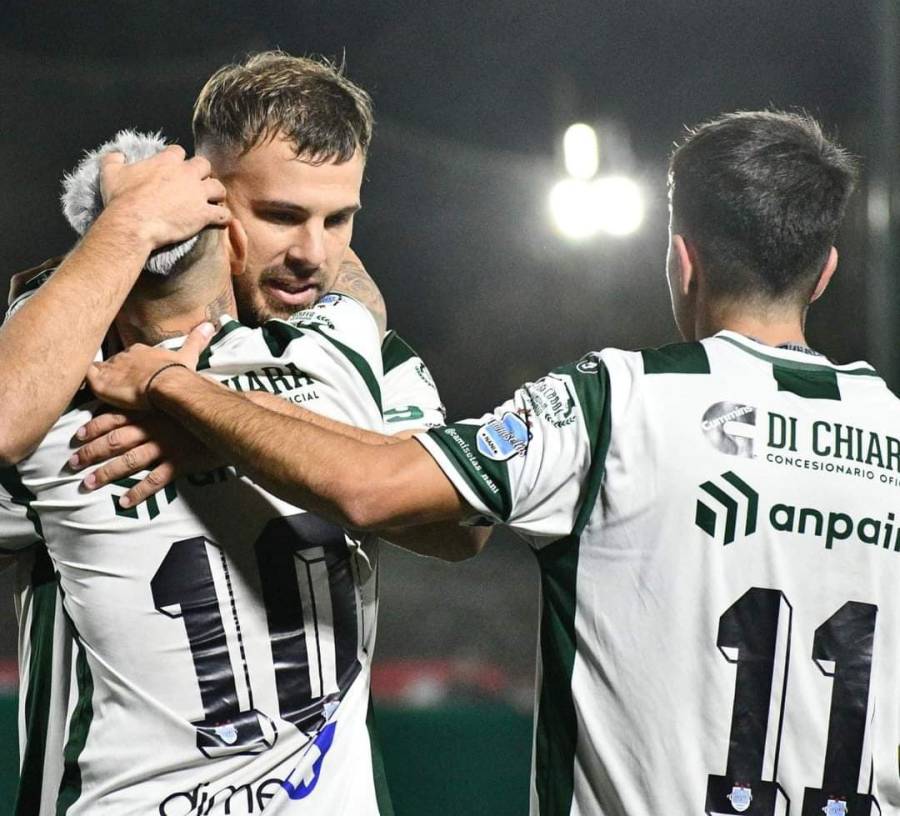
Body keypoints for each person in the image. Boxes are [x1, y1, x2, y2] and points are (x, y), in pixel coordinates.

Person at [86, 110, 900, 814]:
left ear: (682, 258)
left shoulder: (616, 403)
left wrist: (176, 387)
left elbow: (374, 485)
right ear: (824, 272)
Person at [3, 52, 481, 814]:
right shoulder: (68, 376)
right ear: (205, 201)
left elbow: (462, 524)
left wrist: (224, 426)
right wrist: (125, 232)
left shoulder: (357, 355)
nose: (313, 253)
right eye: (282, 216)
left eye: (340, 218)